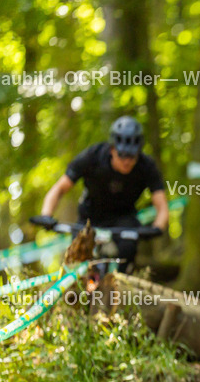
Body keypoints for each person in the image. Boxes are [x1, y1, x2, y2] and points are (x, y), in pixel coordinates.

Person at [40, 116, 168, 271]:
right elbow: (60, 188)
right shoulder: (93, 156)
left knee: (128, 249)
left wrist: (157, 227)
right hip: (90, 215)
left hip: (123, 218)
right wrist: (46, 215)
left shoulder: (147, 166)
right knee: (78, 254)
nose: (127, 162)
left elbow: (161, 204)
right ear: (112, 149)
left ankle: (122, 285)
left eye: (132, 156)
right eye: (122, 155)